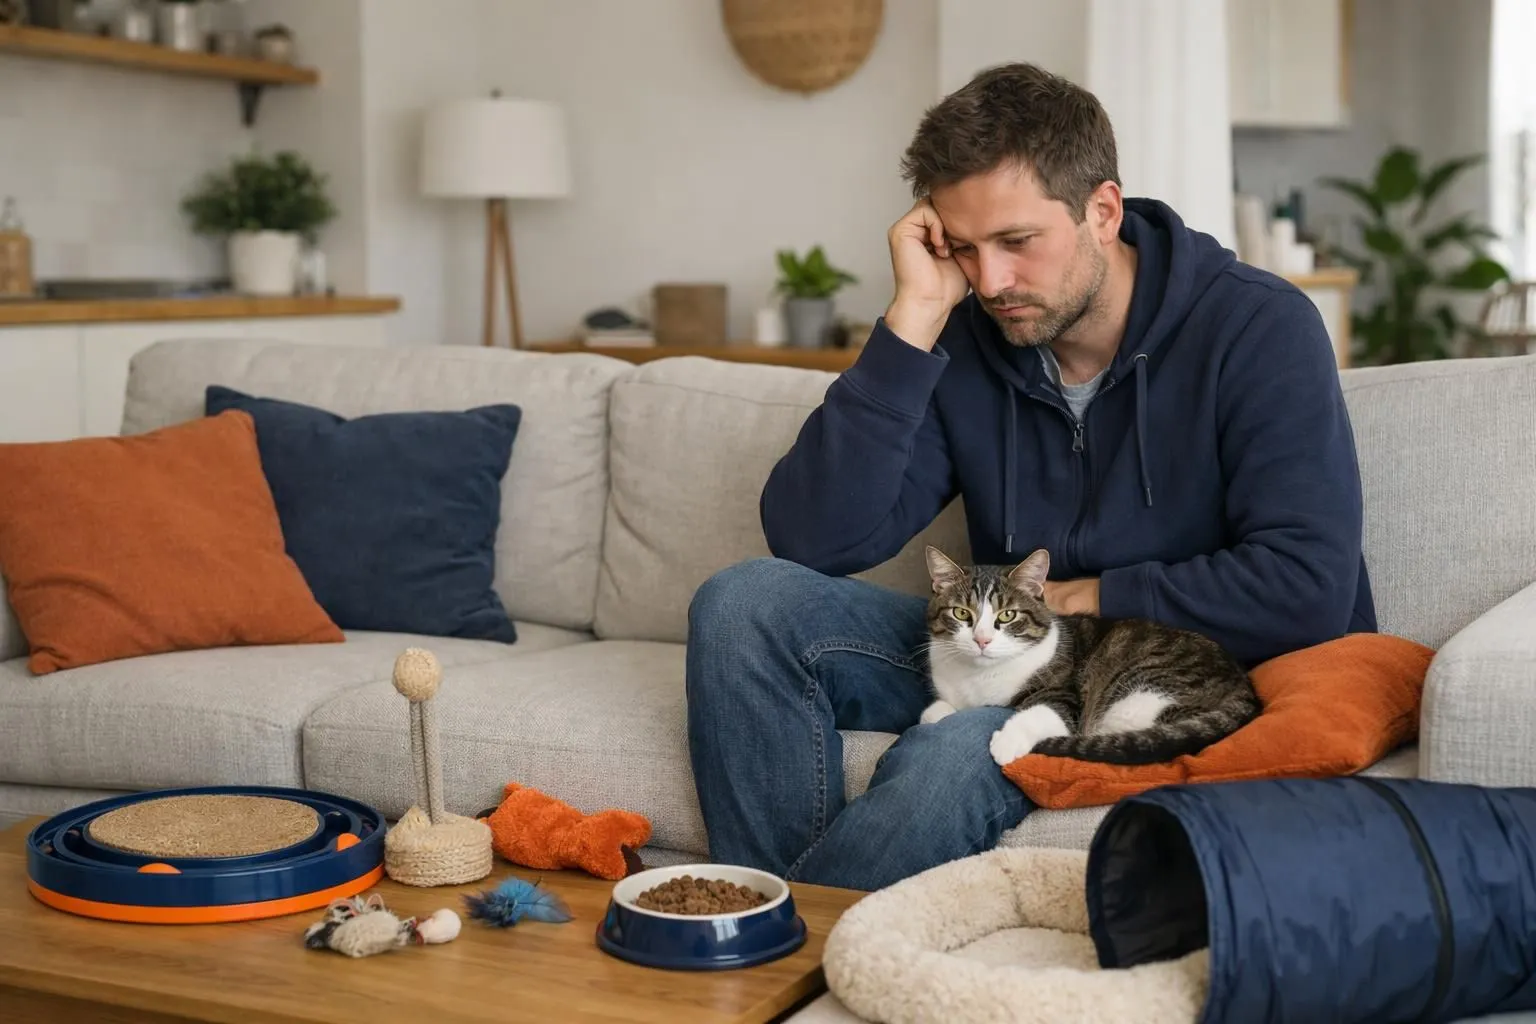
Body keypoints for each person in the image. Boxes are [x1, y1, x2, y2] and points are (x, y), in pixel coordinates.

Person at [685, 62, 1376, 892]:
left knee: (948, 751)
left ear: (1103, 211)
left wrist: (1088, 596)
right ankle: (762, 915)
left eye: (1017, 242)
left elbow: (1308, 588)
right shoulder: (968, 337)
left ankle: (775, 950)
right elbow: (814, 539)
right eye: (967, 248)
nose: (992, 281)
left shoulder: (1258, 327)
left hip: (1152, 671)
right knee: (745, 603)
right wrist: (913, 322)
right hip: (1004, 651)